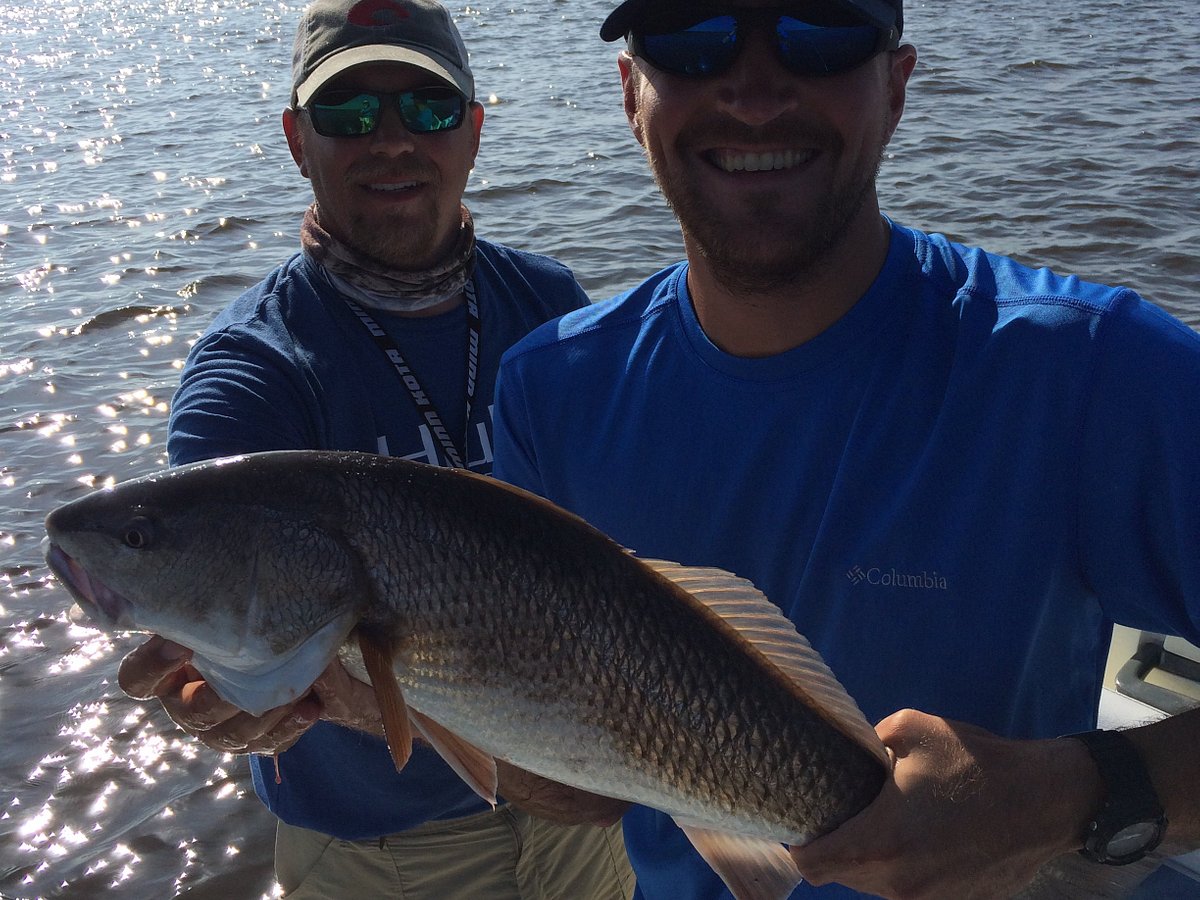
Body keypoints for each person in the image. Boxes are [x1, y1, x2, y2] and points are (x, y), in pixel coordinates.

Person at [490, 1, 1200, 897]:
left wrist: (1071, 797)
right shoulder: (549, 393)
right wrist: (369, 684)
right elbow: (572, 781)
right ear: (632, 92)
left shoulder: (1087, 369)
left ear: (896, 86)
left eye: (817, 28)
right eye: (692, 35)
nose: (752, 95)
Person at [115, 0, 634, 897]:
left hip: (591, 821)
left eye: (427, 110)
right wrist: (218, 700)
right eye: (348, 114)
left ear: (472, 131)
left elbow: (623, 557)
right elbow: (205, 649)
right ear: (295, 139)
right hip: (387, 860)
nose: (390, 139)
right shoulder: (252, 372)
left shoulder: (553, 305)